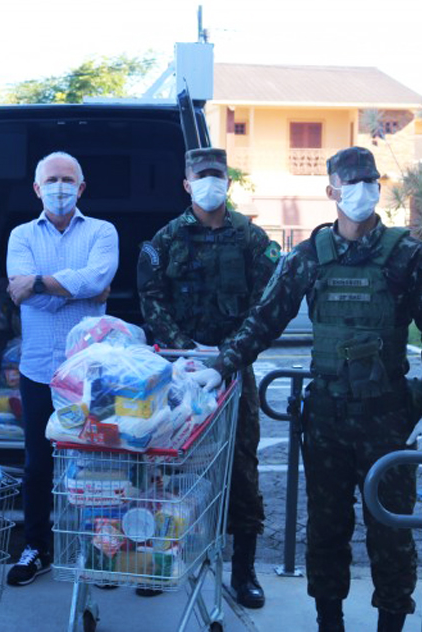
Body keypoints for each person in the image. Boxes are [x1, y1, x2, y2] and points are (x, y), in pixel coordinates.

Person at [206, 146, 422, 632]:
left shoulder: (409, 255)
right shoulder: (309, 256)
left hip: (387, 417)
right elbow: (264, 320)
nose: (363, 189)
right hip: (327, 419)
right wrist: (220, 365)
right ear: (332, 191)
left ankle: (390, 626)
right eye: (353, 181)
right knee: (326, 528)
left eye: (370, 180)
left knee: (391, 531)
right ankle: (329, 624)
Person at [137, 147, 280, 608]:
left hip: (235, 374)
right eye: (202, 175)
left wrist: (228, 357)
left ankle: (243, 573)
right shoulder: (164, 241)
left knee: (241, 470)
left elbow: (267, 306)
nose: (210, 182)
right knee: (170, 468)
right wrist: (188, 353)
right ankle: (160, 559)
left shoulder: (253, 239)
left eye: (217, 174)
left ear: (228, 182)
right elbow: (151, 300)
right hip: (181, 374)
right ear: (187, 183)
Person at [4, 151, 118, 586]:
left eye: (68, 179)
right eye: (51, 179)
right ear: (37, 188)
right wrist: (79, 287)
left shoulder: (102, 232)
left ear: (82, 187)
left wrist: (40, 283)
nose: (59, 186)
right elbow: (80, 286)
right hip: (39, 371)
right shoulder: (21, 236)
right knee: (38, 466)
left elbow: (95, 279)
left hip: (92, 372)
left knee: (100, 464)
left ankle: (103, 548)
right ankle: (37, 548)